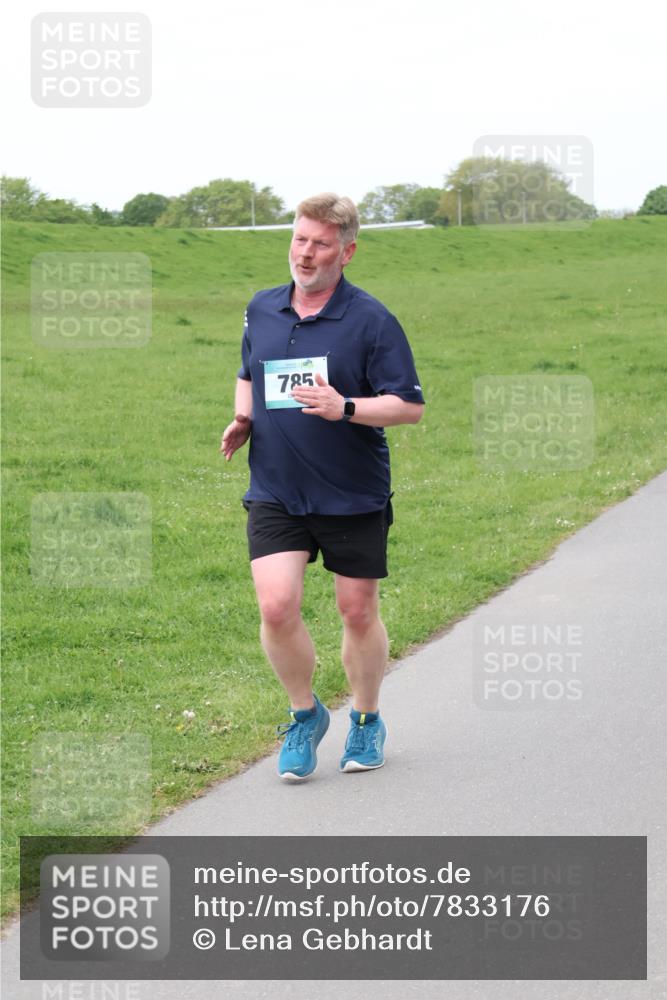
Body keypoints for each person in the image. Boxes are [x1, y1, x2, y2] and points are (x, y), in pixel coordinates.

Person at [220, 193, 425, 781]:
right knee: (275, 604)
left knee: (356, 609)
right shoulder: (261, 308)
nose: (305, 253)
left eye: (321, 244)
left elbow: (408, 407)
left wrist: (347, 406)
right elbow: (246, 374)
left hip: (351, 489)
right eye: (300, 239)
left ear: (348, 251)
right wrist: (244, 418)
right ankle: (304, 715)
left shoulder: (372, 320)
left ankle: (365, 719)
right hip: (277, 487)